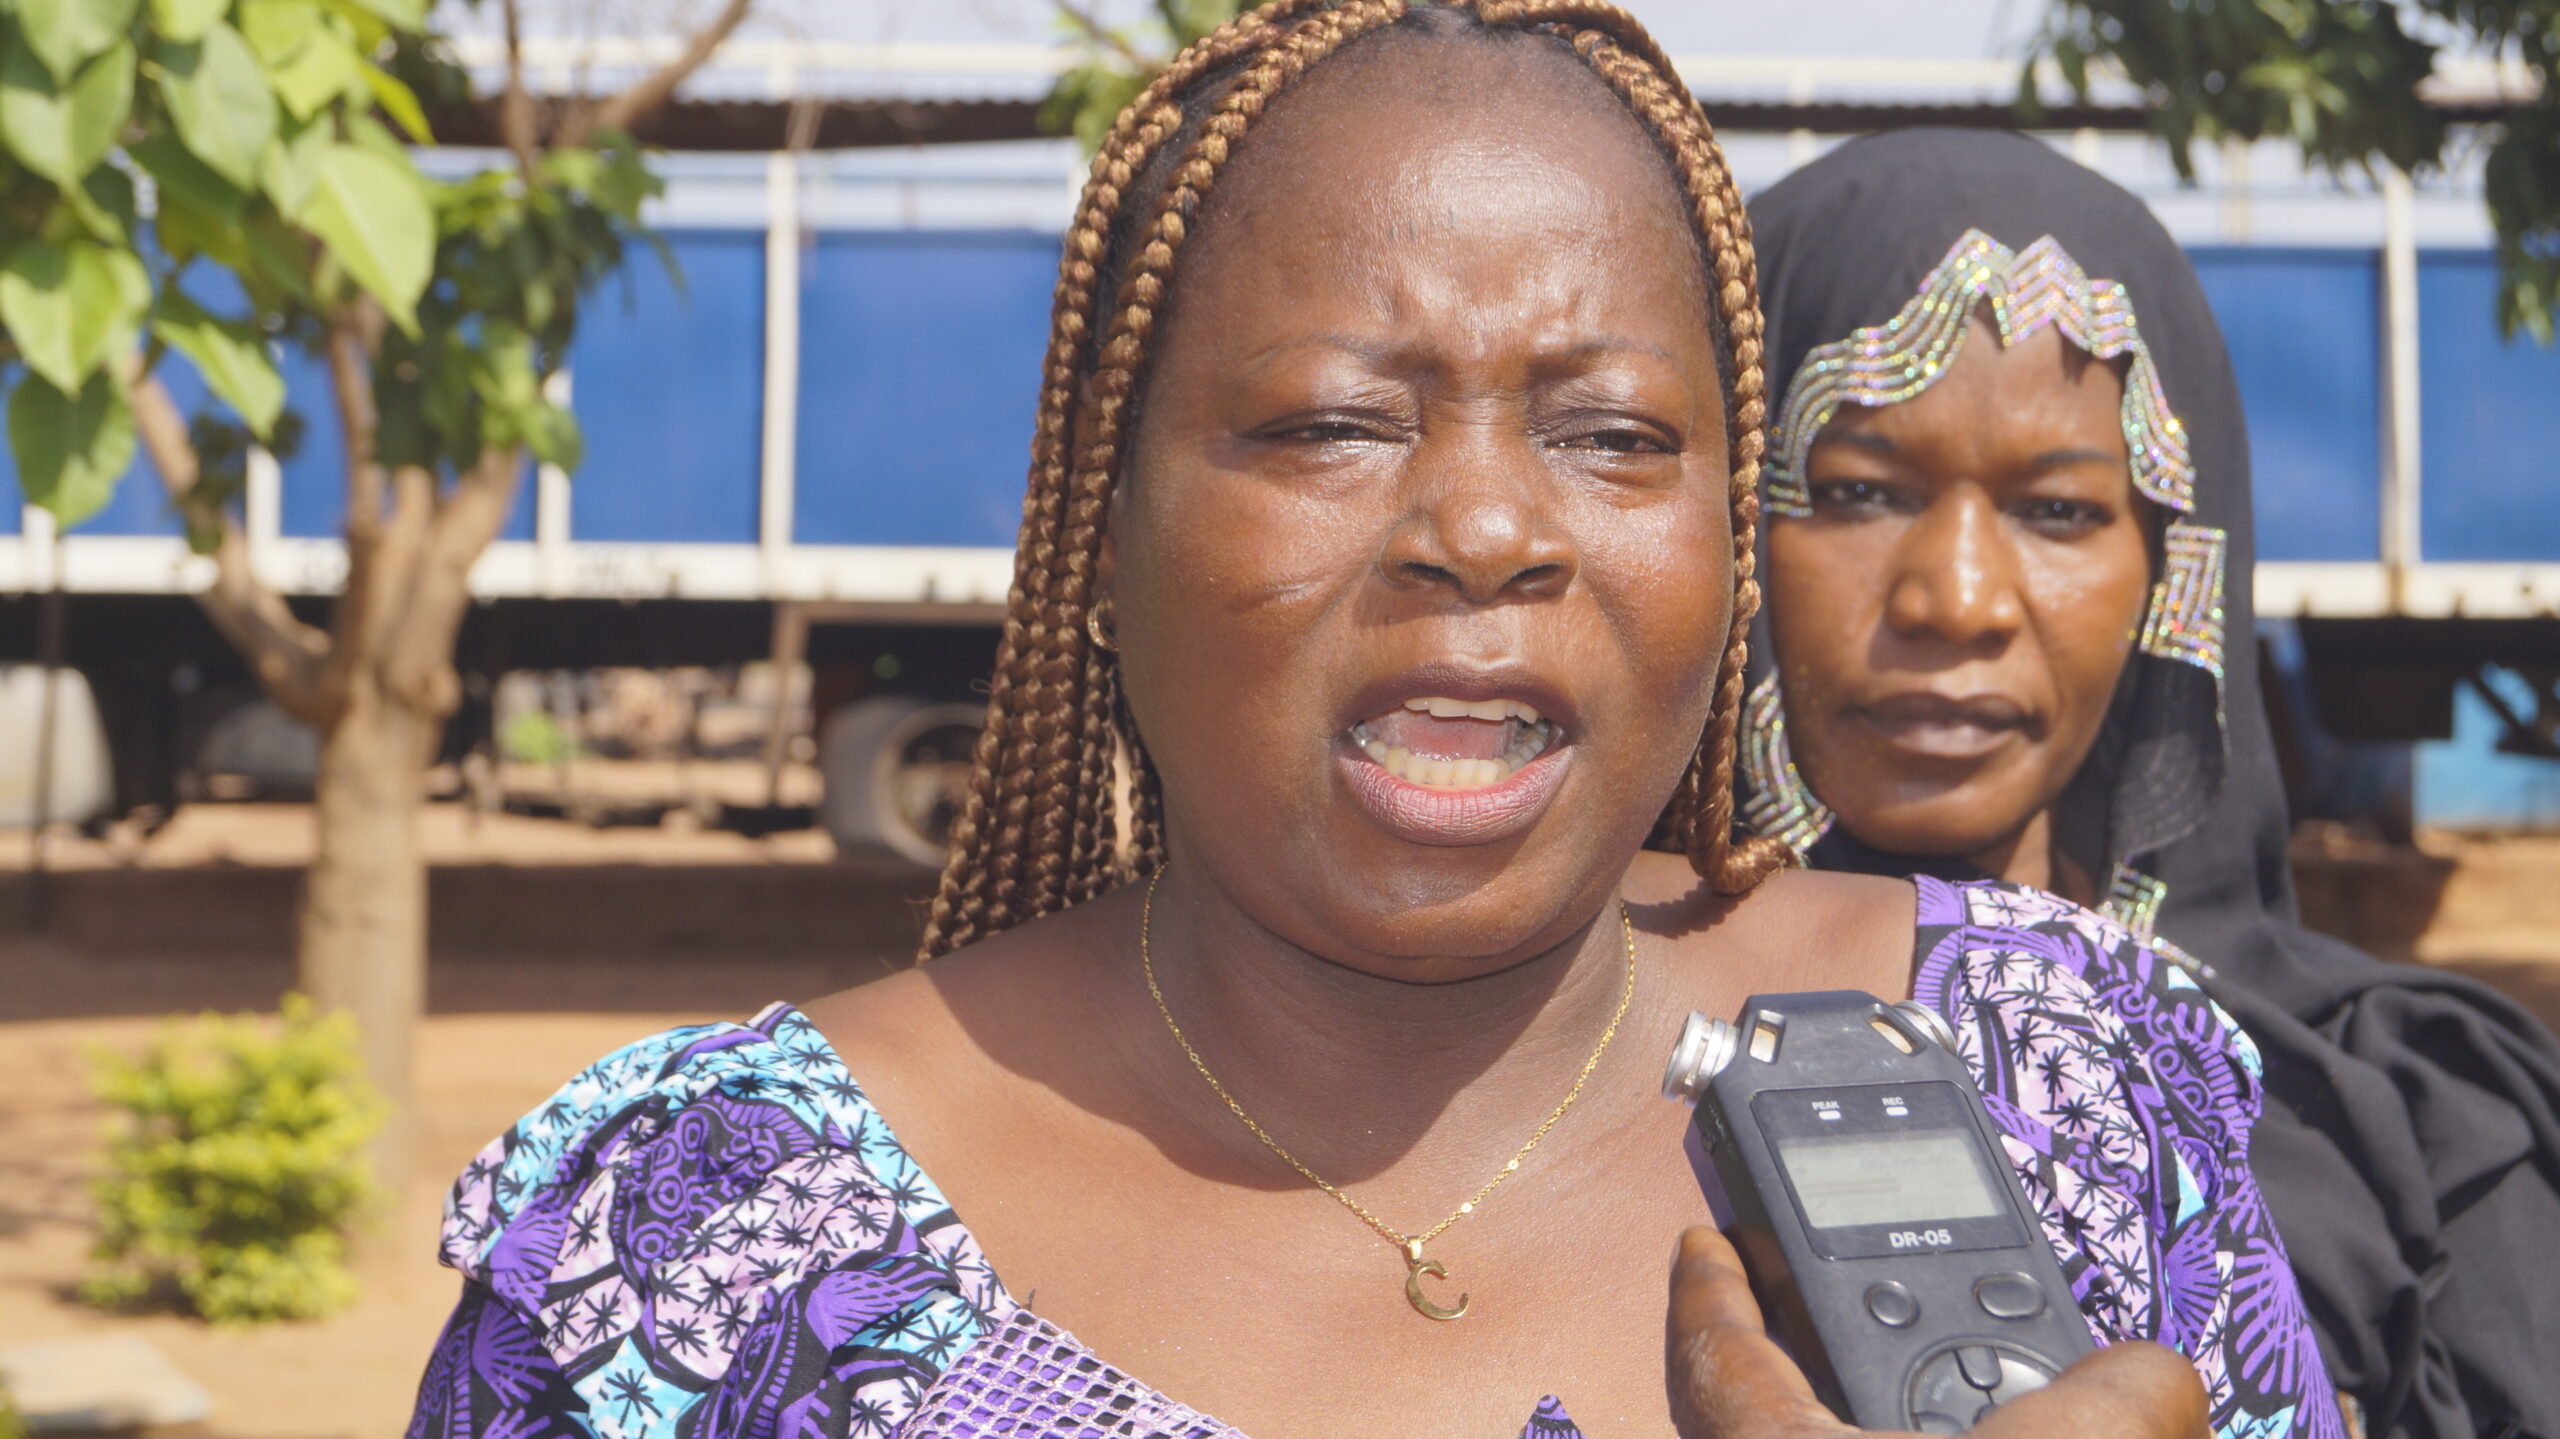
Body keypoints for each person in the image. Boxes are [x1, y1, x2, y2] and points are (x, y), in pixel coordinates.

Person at [405, 9, 2330, 1437]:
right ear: (1097, 529)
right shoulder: (700, 1255)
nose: (1487, 530)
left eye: (1609, 437)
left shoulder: (2062, 1079)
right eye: (1332, 423)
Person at [1741, 129, 2560, 1439]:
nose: (1956, 599)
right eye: (1856, 491)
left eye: (2058, 512)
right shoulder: (1523, 1065)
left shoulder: (2417, 1121)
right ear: (1727, 521)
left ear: (2178, 575)